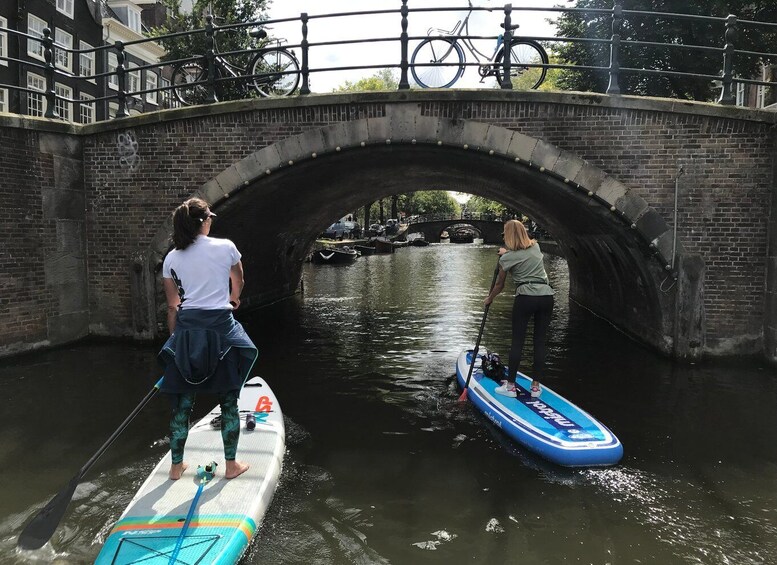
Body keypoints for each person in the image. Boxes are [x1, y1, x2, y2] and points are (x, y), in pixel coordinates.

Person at [158, 197, 258, 480]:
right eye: (210, 217)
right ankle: (231, 467)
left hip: (188, 332)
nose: (212, 220)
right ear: (203, 221)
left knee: (182, 405)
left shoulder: (172, 258)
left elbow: (172, 306)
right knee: (228, 402)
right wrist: (234, 298)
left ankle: (176, 468)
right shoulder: (225, 248)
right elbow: (238, 278)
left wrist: (177, 347)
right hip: (221, 333)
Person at [483, 219, 555, 398]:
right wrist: (506, 252)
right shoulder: (536, 247)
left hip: (526, 298)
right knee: (539, 341)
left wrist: (489, 299)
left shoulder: (506, 259)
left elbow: (499, 285)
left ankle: (510, 387)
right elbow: (523, 253)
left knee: (517, 342)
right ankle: (536, 387)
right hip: (547, 297)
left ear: (508, 236)